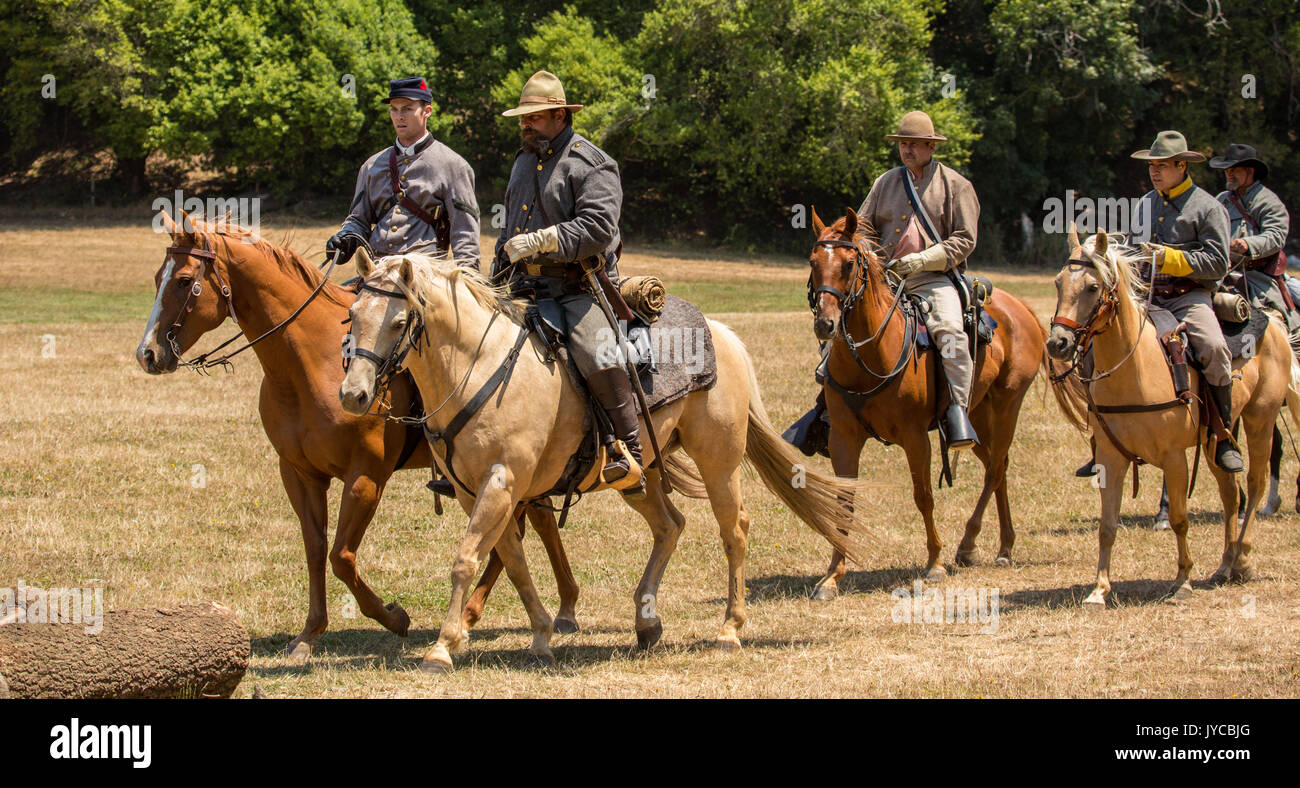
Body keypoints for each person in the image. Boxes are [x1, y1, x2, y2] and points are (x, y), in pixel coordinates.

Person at [787, 110, 981, 456]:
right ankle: (827, 410)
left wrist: (924, 259)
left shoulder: (957, 186)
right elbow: (859, 227)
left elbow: (965, 239)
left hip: (934, 278)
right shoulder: (886, 182)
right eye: (903, 144)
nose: (907, 150)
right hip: (886, 278)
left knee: (950, 331)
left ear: (929, 146)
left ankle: (956, 412)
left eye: (914, 144)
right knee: (838, 327)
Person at [492, 70, 644, 498]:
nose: (525, 125)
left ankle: (626, 452)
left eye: (534, 118)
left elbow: (598, 230)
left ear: (559, 115)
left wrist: (545, 240)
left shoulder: (592, 164)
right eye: (523, 118)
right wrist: (495, 276)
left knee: (597, 350)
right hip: (524, 287)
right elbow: (509, 230)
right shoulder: (523, 161)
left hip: (580, 288)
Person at [1133, 130, 1240, 472]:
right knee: (1098, 338)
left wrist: (1169, 258)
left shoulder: (1209, 208)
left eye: (1162, 165)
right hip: (1145, 296)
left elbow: (1217, 265)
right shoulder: (1144, 203)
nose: (1154, 172)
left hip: (1188, 297)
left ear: (1182, 165)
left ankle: (1222, 433)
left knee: (1213, 348)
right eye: (1152, 166)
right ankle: (1102, 435)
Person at [328, 76, 481, 267]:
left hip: (425, 275)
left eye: (407, 109)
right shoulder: (372, 166)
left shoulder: (453, 166)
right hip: (376, 271)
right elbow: (359, 220)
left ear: (427, 111)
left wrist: (467, 280)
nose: (399, 116)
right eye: (394, 109)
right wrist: (346, 238)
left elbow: (464, 232)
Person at [1210, 143, 1296, 343]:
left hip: (1257, 278)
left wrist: (1249, 244)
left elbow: (1276, 235)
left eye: (1234, 170)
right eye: (1227, 170)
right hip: (1221, 271)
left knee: (1275, 322)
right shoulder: (1222, 200)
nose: (1229, 174)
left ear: (1250, 171)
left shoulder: (1268, 201)